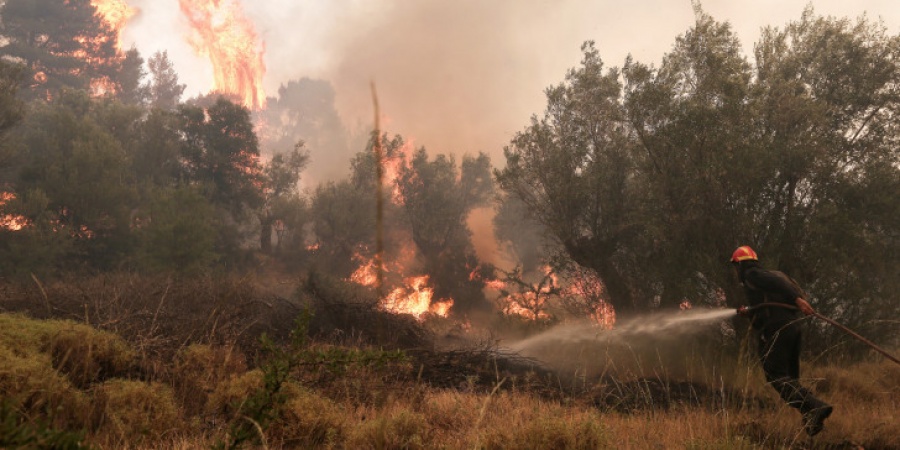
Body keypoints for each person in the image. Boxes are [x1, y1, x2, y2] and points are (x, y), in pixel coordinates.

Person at [730, 245, 833, 437]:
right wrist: (750, 312)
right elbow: (770, 301)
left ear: (740, 265)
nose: (736, 271)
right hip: (792, 328)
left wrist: (798, 300)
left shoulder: (752, 274)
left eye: (736, 266)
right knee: (790, 379)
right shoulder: (767, 278)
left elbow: (778, 285)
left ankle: (815, 407)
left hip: (778, 329)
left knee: (776, 376)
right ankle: (811, 415)